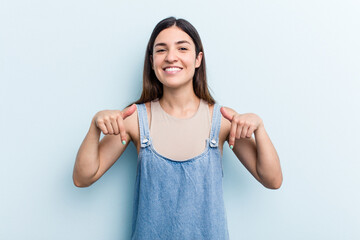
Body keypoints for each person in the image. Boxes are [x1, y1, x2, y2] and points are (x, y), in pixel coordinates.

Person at [73, 16, 283, 239]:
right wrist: (94, 127)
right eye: (161, 50)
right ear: (152, 61)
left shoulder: (222, 120)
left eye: (182, 48)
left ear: (198, 59)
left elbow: (272, 180)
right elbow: (83, 178)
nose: (171, 57)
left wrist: (259, 128)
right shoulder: (134, 119)